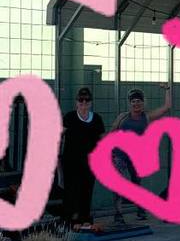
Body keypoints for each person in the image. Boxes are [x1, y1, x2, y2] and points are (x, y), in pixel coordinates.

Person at [109, 84, 172, 225]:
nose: (136, 104)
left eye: (139, 101)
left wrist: (167, 90)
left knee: (136, 184)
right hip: (120, 155)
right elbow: (112, 132)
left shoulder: (147, 117)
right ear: (130, 103)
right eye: (133, 101)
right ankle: (118, 213)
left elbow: (167, 107)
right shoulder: (122, 117)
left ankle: (140, 209)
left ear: (143, 103)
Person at [59, 87, 105, 225]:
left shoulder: (96, 119)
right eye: (81, 100)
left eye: (87, 100)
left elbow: (102, 140)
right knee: (71, 190)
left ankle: (84, 219)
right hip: (71, 161)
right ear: (76, 102)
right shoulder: (70, 117)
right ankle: (68, 220)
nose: (83, 103)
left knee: (87, 190)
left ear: (91, 102)